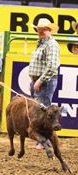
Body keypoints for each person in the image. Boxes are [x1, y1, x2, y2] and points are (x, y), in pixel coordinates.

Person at [28, 18, 60, 149]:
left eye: (44, 29)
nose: (41, 31)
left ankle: (44, 141)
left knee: (45, 114)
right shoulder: (42, 43)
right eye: (39, 29)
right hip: (38, 81)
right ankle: (41, 140)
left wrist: (40, 80)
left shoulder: (51, 44)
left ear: (49, 30)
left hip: (44, 83)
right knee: (39, 113)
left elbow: (52, 67)